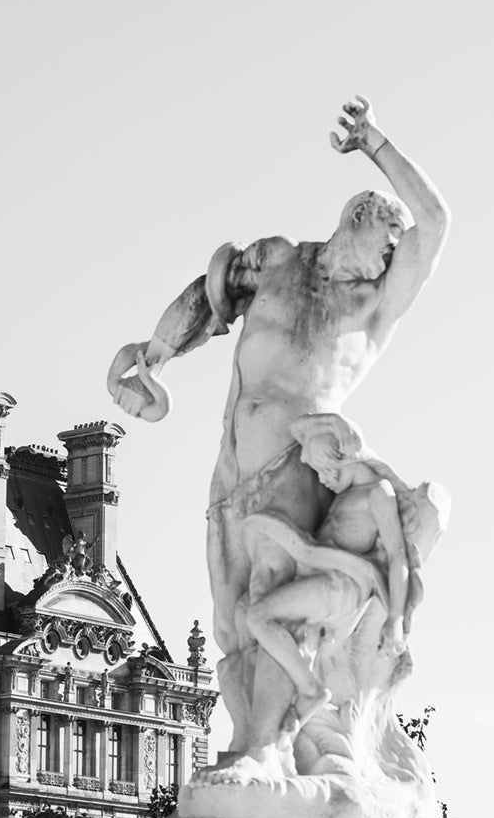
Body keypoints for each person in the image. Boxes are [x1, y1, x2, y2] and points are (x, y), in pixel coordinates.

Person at [108, 97, 450, 779]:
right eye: (387, 242)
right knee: (232, 619)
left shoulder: (375, 307)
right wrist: (156, 352)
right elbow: (210, 297)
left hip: (297, 468)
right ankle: (258, 744)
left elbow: (436, 222)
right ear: (359, 221)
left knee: (271, 607)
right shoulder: (277, 261)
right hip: (230, 468)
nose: (392, 259)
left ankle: (263, 747)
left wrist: (376, 143)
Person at [242, 416, 411, 734]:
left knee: (258, 616)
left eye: (322, 471)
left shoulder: (378, 493)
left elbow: (398, 555)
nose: (321, 481)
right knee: (254, 616)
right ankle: (303, 690)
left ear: (340, 460)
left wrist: (396, 620)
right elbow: (299, 425)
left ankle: (310, 689)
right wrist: (335, 424)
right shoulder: (345, 495)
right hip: (325, 582)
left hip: (341, 587)